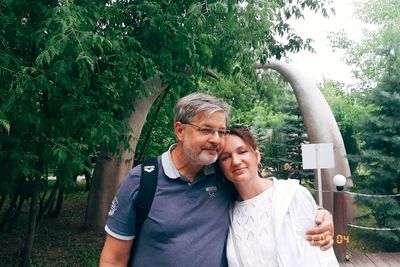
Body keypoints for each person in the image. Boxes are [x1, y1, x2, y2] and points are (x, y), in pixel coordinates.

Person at [99, 92, 334, 267]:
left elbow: (266, 196)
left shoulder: (223, 177)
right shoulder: (143, 181)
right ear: (180, 131)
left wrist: (320, 214)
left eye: (221, 132)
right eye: (206, 130)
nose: (216, 139)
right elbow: (113, 260)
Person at [219, 126, 339, 267]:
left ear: (256, 156)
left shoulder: (292, 195)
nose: (236, 161)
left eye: (242, 152)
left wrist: (320, 212)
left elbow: (321, 255)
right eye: (225, 157)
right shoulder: (228, 211)